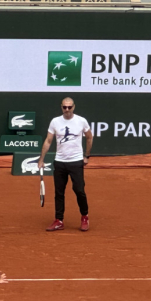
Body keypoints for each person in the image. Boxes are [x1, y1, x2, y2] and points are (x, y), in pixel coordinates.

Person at [38, 98, 93, 232]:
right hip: (60, 161)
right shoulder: (55, 121)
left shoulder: (81, 121)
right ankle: (59, 220)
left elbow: (89, 137)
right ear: (61, 107)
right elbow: (48, 140)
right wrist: (41, 159)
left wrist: (86, 155)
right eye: (64, 107)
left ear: (74, 107)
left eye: (69, 107)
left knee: (79, 190)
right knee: (59, 192)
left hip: (76, 161)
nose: (67, 110)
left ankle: (84, 216)